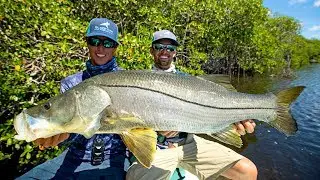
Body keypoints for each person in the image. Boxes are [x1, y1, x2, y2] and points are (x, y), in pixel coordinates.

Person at [126, 30, 258, 180]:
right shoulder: (136, 82)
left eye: (170, 48)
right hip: (157, 150)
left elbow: (208, 113)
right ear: (152, 51)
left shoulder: (189, 80)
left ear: (175, 52)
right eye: (159, 46)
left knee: (247, 171)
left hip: (189, 144)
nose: (165, 51)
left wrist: (233, 122)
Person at [17, 18, 129, 180]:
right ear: (87, 43)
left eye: (107, 43)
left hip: (114, 158)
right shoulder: (71, 83)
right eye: (95, 41)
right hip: (73, 157)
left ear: (115, 48)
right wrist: (51, 139)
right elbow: (66, 132)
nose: (100, 48)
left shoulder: (128, 80)